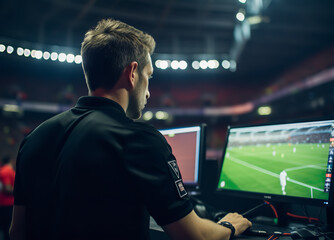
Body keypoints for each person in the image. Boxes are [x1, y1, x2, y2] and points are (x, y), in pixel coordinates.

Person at [9, 19, 251, 240]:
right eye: (149, 76)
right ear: (132, 73)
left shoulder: (34, 137)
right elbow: (195, 236)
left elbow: (16, 232)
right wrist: (228, 226)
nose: (149, 91)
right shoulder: (138, 139)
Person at [0, 155, 16, 240]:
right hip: (8, 204)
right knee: (7, 229)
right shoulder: (8, 171)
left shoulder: (2, 170)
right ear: (11, 161)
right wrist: (21, 192)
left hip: (3, 204)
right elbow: (7, 188)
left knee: (4, 229)